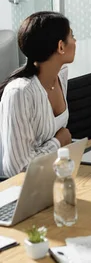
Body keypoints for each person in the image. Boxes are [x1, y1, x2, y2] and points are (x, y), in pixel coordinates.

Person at [0, 11, 75, 177]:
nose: (75, 41)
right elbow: (18, 168)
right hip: (20, 190)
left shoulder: (61, 74)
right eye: (72, 36)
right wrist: (58, 142)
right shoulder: (20, 92)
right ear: (61, 46)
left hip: (51, 174)